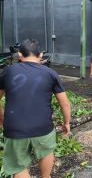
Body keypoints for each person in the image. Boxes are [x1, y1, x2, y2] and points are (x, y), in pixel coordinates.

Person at [0, 39, 71, 178]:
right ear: (41, 55)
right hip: (43, 127)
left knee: (18, 166)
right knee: (45, 153)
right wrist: (67, 122)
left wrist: (2, 117)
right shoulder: (50, 73)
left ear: (19, 55)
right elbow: (65, 103)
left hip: (15, 128)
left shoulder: (7, 72)